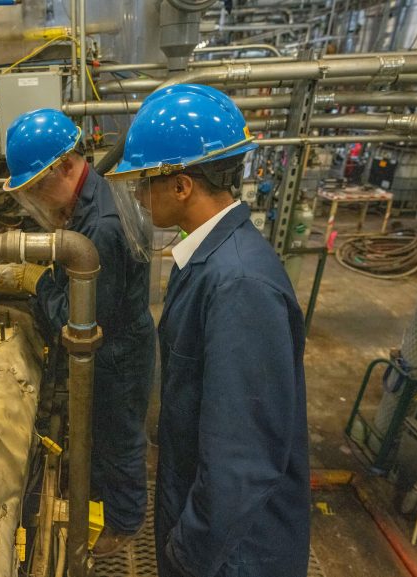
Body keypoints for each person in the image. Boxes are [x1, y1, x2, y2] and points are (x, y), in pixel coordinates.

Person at [105, 84, 310, 577]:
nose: (136, 195)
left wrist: (187, 554)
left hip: (231, 554)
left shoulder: (239, 284)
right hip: (205, 521)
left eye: (144, 182)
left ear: (182, 186)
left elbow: (242, 459)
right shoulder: (207, 257)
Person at [0, 108, 155, 556]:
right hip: (119, 339)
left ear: (66, 167)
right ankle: (94, 490)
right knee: (100, 431)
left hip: (117, 354)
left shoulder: (102, 229)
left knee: (120, 437)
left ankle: (126, 522)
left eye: (37, 186)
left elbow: (83, 320)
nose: (35, 198)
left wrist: (36, 282)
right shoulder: (88, 199)